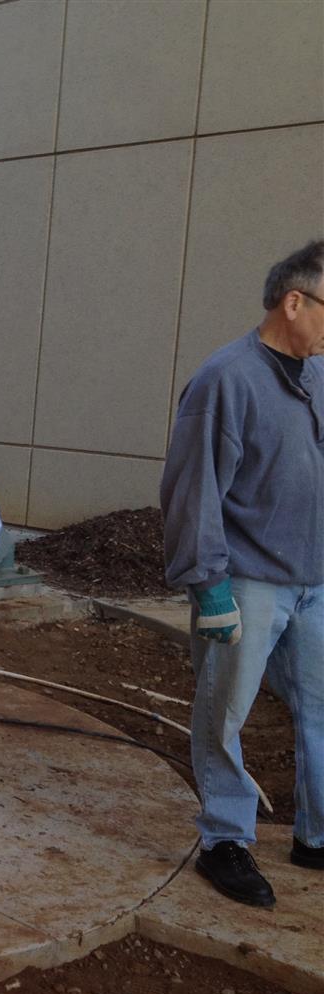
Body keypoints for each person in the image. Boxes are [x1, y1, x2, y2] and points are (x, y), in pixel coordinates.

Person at [160, 239, 324, 908]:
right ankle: (225, 840)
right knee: (223, 712)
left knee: (320, 708)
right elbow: (192, 491)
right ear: (295, 302)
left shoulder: (317, 375)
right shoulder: (226, 379)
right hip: (249, 583)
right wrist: (211, 588)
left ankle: (316, 835)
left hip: (315, 582)